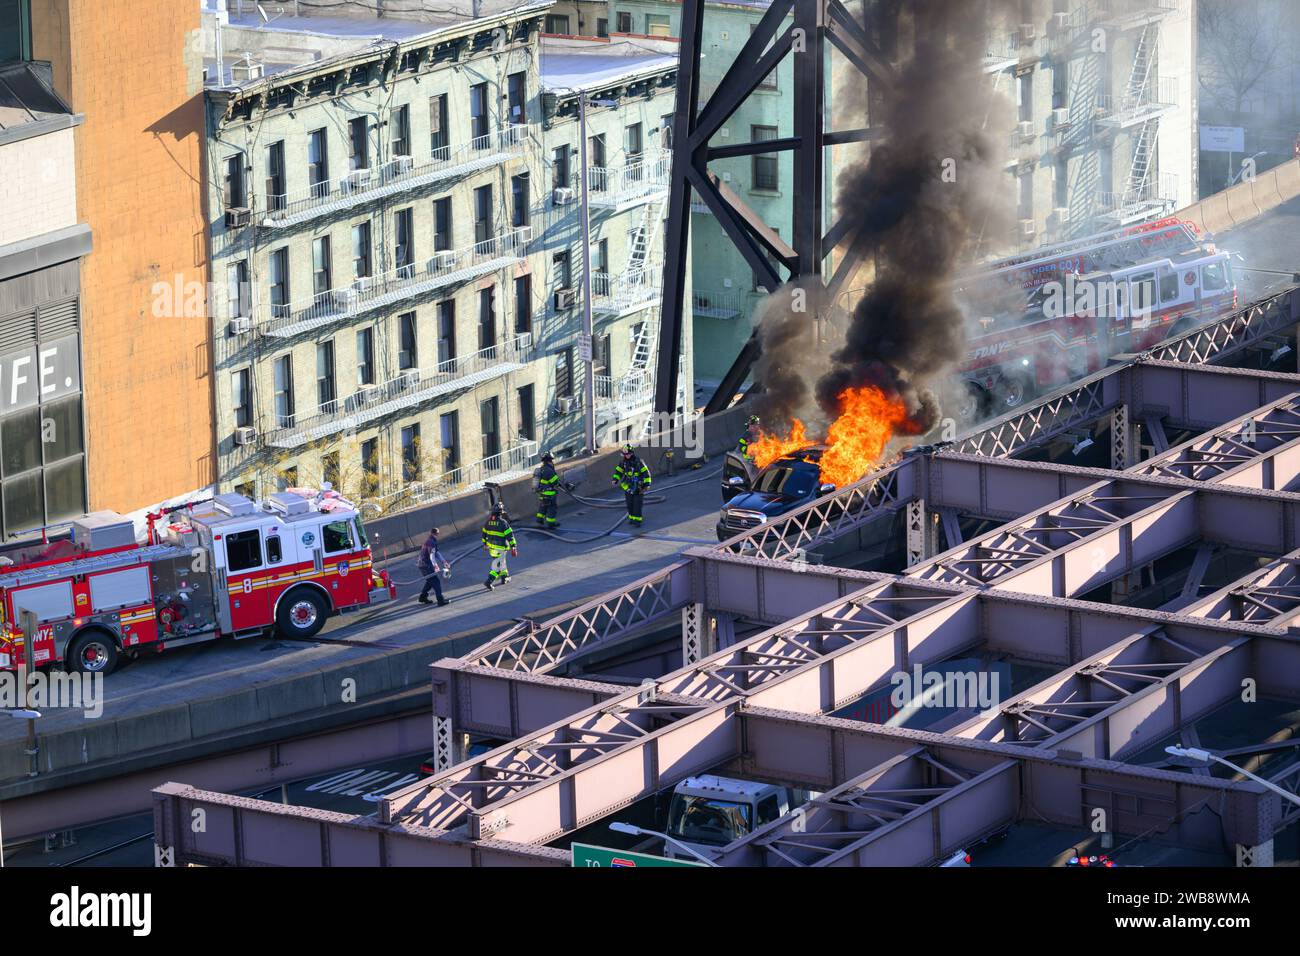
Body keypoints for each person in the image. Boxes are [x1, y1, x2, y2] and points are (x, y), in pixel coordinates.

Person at [612, 444, 652, 527]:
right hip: (628, 487)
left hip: (638, 487)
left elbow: (646, 473)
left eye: (628, 454)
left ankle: (637, 521)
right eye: (625, 454)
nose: (626, 456)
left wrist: (647, 484)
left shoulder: (639, 462)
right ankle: (632, 518)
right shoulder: (623, 462)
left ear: (632, 453)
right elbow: (618, 471)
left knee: (637, 504)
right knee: (629, 504)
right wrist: (615, 479)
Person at [481, 503, 518, 590]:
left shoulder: (488, 522)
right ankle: (489, 581)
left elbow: (483, 535)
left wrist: (485, 544)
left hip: (491, 549)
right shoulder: (503, 523)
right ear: (500, 513)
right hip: (500, 548)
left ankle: (504, 577)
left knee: (501, 563)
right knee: (497, 567)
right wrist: (513, 546)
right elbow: (510, 536)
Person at [415, 526, 451, 607]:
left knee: (430, 581)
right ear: (435, 534)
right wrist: (436, 566)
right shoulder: (431, 542)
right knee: (436, 582)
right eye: (437, 534)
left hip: (422, 564)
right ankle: (440, 600)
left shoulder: (430, 540)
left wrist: (444, 562)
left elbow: (436, 553)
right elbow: (432, 556)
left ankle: (422, 597)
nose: (437, 535)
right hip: (425, 565)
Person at [533, 452, 561, 528]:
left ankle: (539, 520)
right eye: (552, 460)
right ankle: (551, 523)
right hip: (549, 493)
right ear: (550, 460)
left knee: (543, 506)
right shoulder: (549, 470)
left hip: (541, 493)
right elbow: (555, 482)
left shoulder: (541, 469)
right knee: (552, 508)